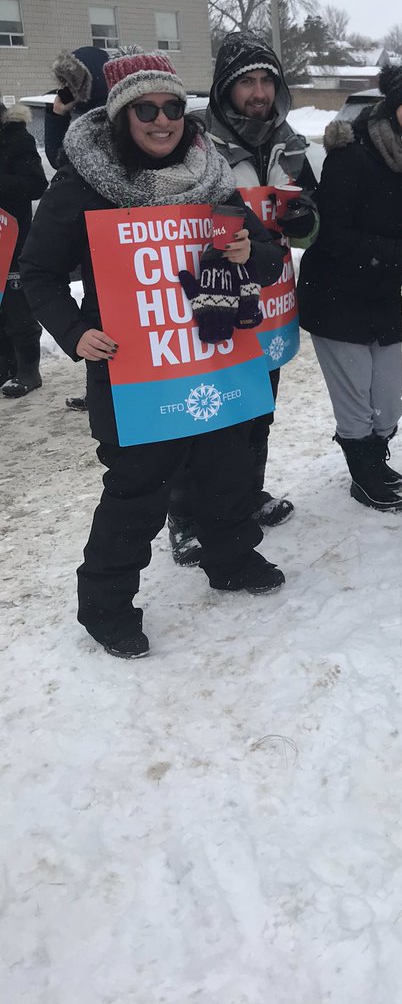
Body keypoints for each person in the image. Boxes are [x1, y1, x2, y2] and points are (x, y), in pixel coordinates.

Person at [20, 50, 286, 658]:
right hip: (132, 368)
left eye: (172, 108)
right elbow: (36, 272)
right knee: (138, 488)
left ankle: (230, 558)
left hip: (212, 356)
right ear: (122, 116)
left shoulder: (213, 177)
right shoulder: (86, 183)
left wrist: (254, 255)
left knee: (226, 468)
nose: (162, 120)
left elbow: (269, 258)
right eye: (147, 109)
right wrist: (74, 332)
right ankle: (106, 607)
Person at [165, 33, 320, 564]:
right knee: (205, 411)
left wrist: (304, 221)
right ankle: (183, 516)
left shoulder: (291, 142)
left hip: (271, 296)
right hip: (213, 296)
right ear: (226, 89)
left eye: (266, 80)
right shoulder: (194, 140)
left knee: (260, 406)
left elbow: (310, 225)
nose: (258, 91)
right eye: (247, 81)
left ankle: (245, 494)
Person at [296, 64, 402, 511]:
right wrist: (400, 253)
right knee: (355, 394)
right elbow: (331, 235)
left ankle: (375, 458)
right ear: (393, 105)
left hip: (380, 295)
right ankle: (364, 474)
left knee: (388, 399)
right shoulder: (353, 155)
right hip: (335, 294)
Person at [44, 46, 112, 410]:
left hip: (121, 237)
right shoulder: (76, 116)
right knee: (100, 313)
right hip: (94, 241)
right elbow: (60, 159)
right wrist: (57, 113)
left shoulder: (112, 119)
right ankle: (100, 388)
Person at [0, 101, 48, 397]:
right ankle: (4, 368)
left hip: (12, 237)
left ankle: (28, 369)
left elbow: (36, 185)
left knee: (17, 307)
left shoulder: (17, 137)